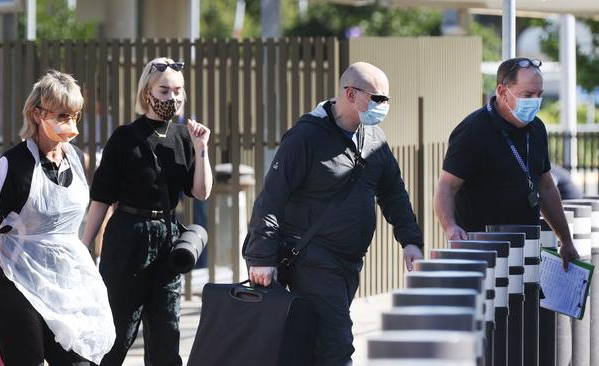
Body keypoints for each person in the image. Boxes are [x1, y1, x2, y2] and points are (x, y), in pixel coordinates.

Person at [244, 62, 424, 365]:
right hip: (312, 259)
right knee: (336, 345)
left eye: (387, 100)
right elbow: (271, 199)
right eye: (378, 99)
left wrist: (411, 241)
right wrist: (261, 257)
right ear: (350, 94)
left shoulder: (374, 138)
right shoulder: (306, 137)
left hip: (349, 263)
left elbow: (394, 193)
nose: (383, 107)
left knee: (313, 343)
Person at [0, 70, 115, 365]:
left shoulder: (77, 159)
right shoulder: (12, 164)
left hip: (64, 275)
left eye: (75, 116)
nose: (70, 124)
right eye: (62, 115)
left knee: (78, 359)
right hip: (16, 276)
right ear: (38, 114)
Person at [82, 57, 212, 365]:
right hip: (129, 235)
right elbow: (101, 197)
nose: (173, 97)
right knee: (116, 332)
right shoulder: (125, 137)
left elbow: (201, 192)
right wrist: (84, 246)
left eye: (178, 91)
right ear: (146, 93)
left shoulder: (185, 137)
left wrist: (202, 148)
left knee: (167, 336)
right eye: (164, 90)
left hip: (167, 239)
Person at [433, 57, 579, 268]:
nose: (535, 101)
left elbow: (546, 188)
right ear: (502, 92)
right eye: (527, 95)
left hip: (526, 249)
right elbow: (447, 186)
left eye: (539, 95)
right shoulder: (473, 131)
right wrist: (450, 227)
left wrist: (566, 240)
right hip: (484, 251)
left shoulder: (536, 129)